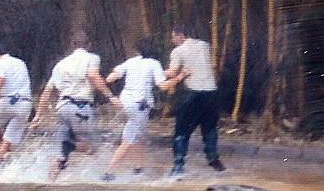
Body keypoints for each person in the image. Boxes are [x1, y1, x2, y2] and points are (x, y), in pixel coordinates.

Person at [31, 30, 120, 180]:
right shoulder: (92, 58)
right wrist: (111, 97)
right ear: (89, 45)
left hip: (62, 107)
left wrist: (38, 115)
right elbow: (93, 76)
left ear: (72, 45)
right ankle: (72, 147)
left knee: (61, 154)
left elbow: (47, 90)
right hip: (80, 107)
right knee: (92, 146)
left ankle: (50, 181)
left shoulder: (61, 64)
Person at [102, 37, 189, 181]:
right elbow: (163, 86)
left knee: (138, 135)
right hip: (139, 106)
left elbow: (110, 78)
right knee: (129, 139)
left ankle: (139, 168)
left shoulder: (131, 61)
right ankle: (108, 172)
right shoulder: (154, 64)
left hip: (125, 103)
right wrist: (181, 76)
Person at [166, 24, 226, 176]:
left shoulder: (178, 51)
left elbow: (172, 72)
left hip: (194, 93)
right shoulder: (205, 45)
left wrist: (154, 71)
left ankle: (178, 166)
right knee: (210, 128)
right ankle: (214, 161)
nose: (172, 40)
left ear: (181, 35)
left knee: (181, 130)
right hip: (212, 93)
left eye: (173, 37)